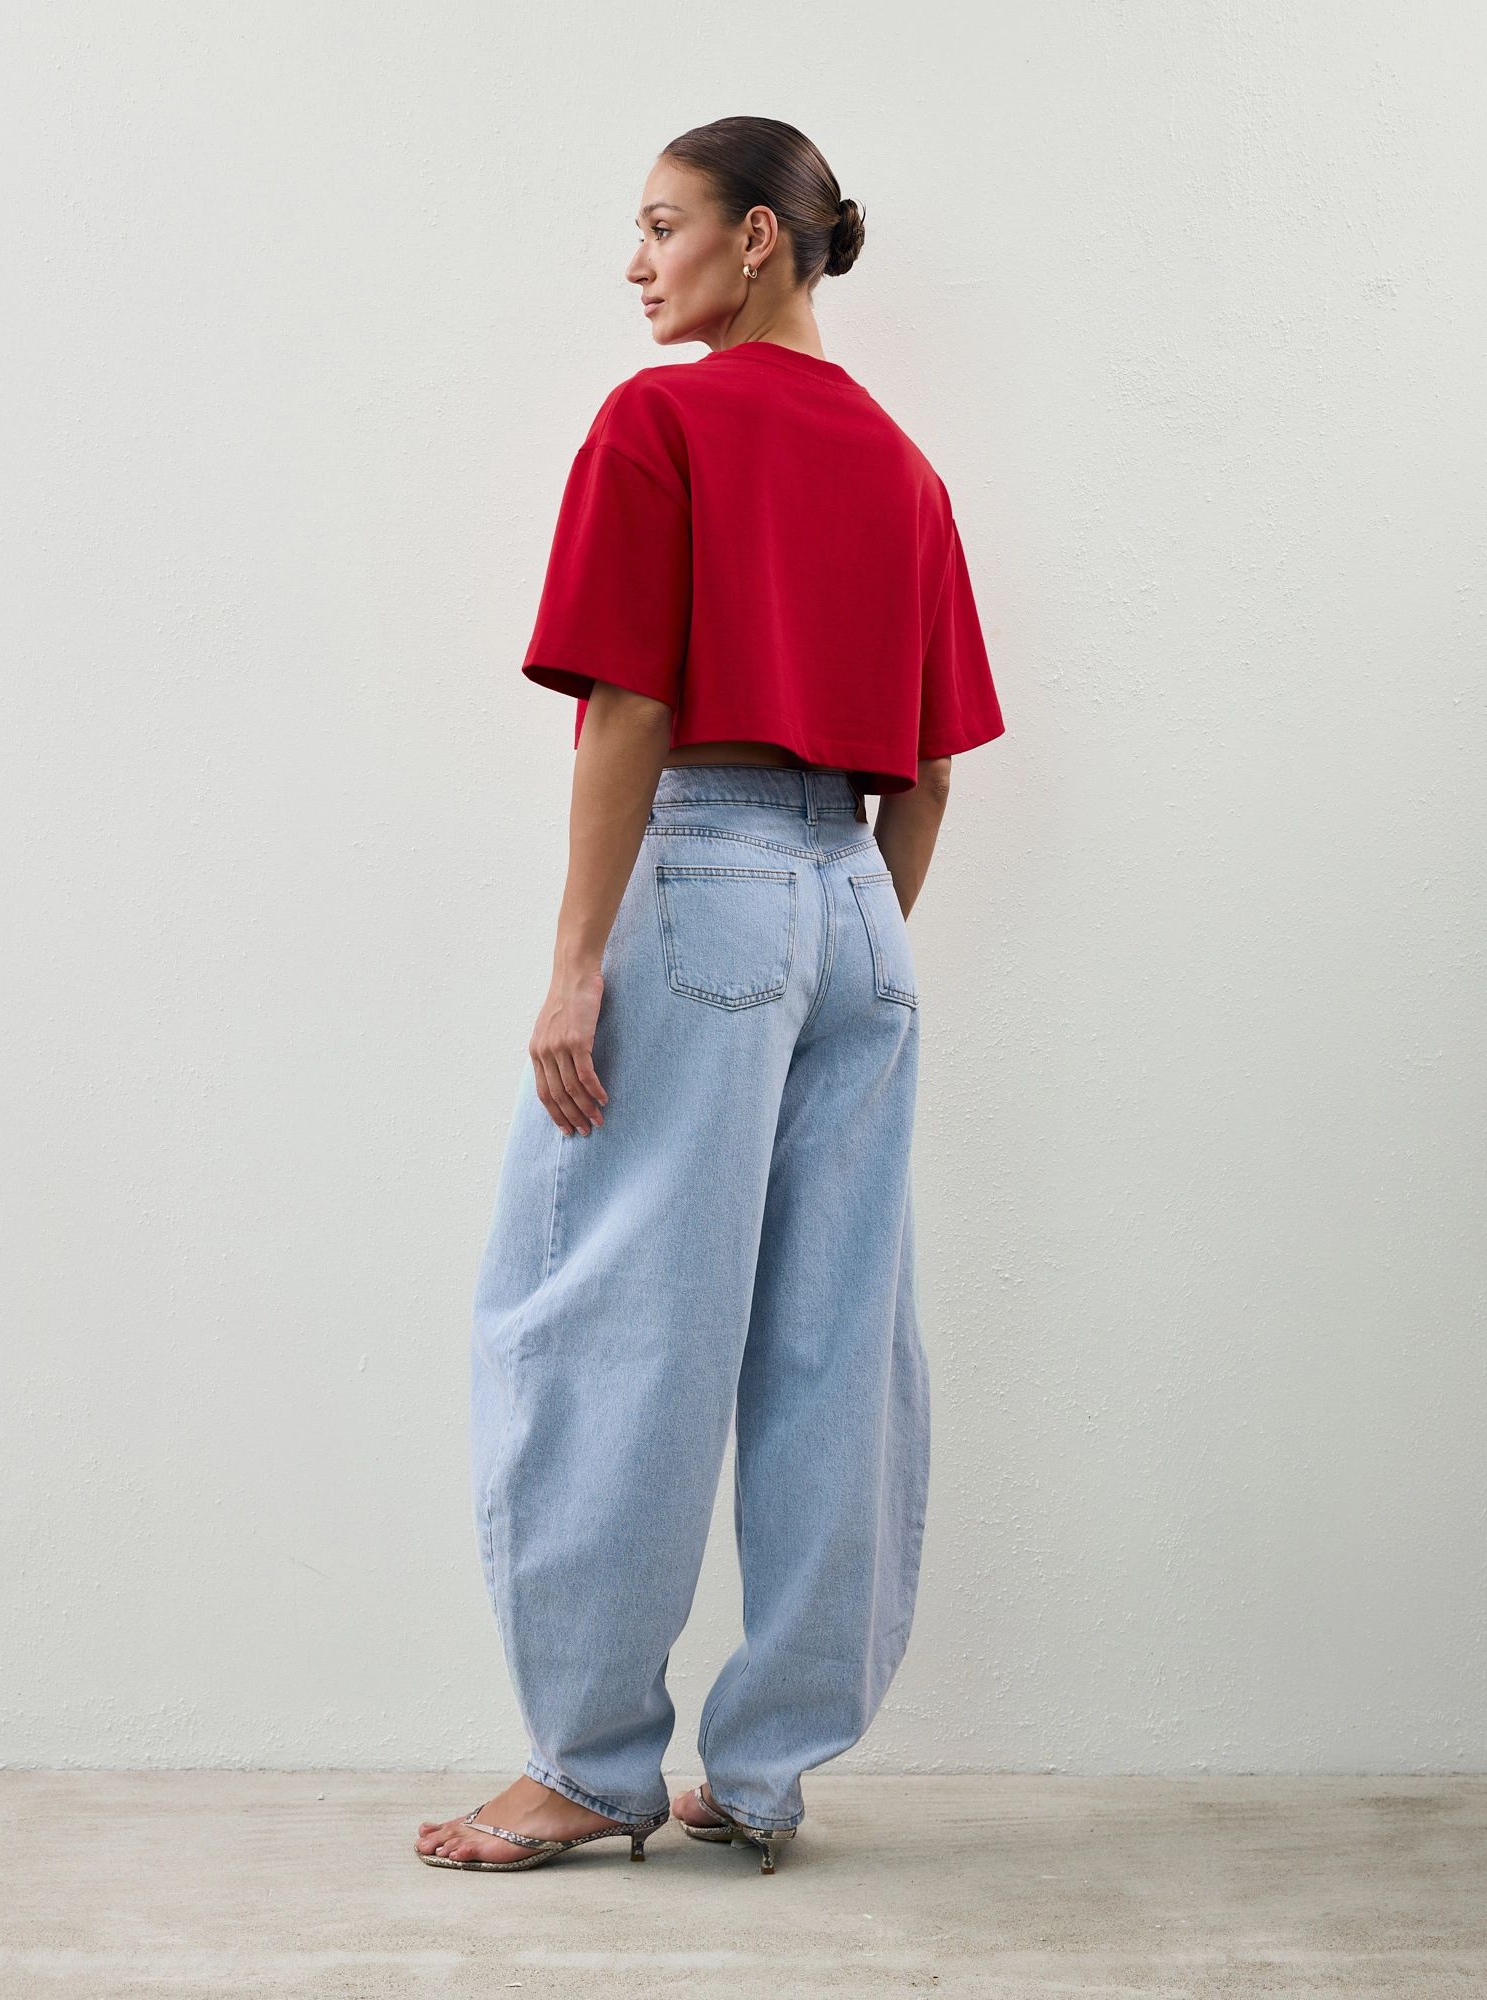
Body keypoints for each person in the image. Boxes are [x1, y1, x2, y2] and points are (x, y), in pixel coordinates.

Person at [417, 115, 1003, 1878]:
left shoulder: (659, 422)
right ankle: (765, 1771)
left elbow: (635, 707)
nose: (637, 262)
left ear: (758, 238)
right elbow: (930, 774)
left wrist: (579, 960)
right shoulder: (906, 470)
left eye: (663, 226)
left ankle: (590, 1766)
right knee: (836, 1343)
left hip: (708, 881)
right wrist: (843, 942)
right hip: (860, 908)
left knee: (608, 1321)